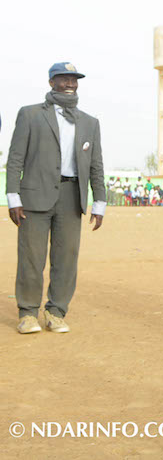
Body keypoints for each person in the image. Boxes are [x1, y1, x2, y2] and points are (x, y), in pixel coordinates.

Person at [6, 62, 106, 334]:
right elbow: (15, 158)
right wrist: (13, 196)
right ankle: (27, 313)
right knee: (31, 258)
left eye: (74, 80)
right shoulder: (30, 115)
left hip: (72, 198)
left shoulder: (89, 122)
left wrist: (99, 202)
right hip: (34, 197)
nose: (70, 84)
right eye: (64, 79)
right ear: (51, 82)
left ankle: (56, 312)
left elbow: (96, 165)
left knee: (66, 259)